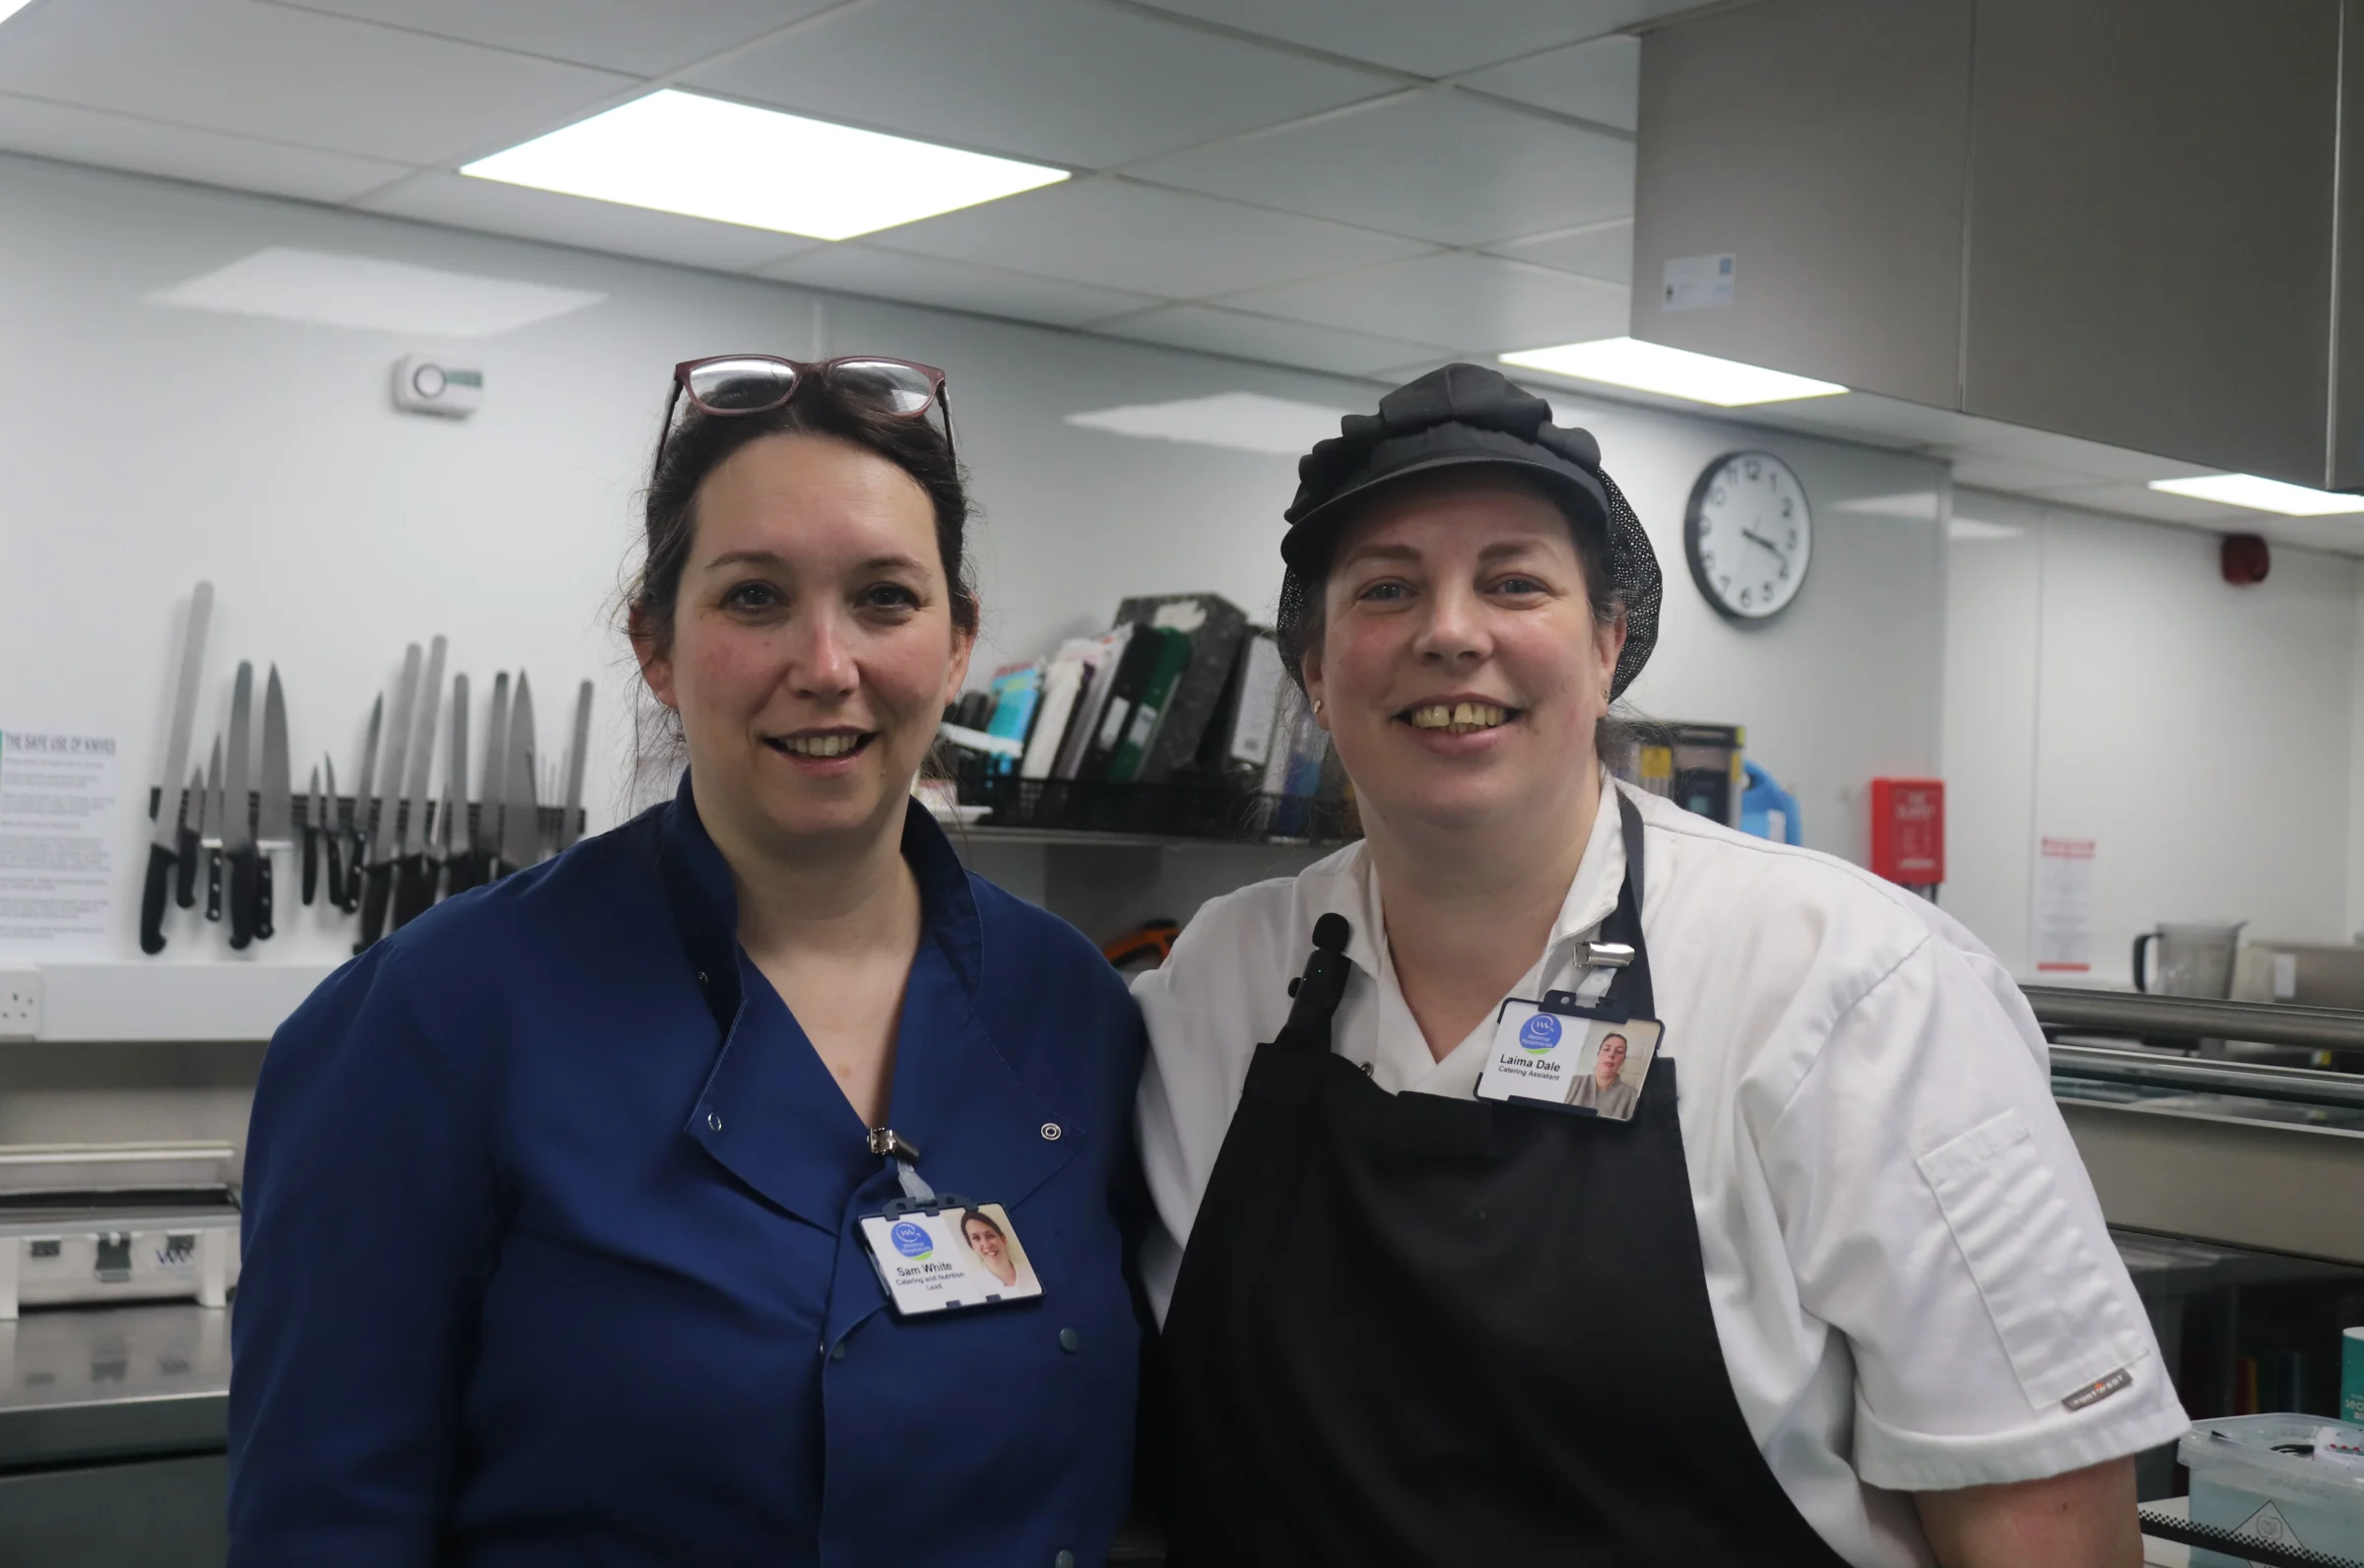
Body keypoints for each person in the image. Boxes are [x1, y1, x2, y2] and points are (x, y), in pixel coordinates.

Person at [1133, 363, 2186, 1567]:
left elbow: (2049, 1534)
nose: (1451, 632)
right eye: (1386, 588)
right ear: (1316, 674)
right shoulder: (1221, 981)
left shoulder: (1858, 990)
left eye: (1516, 581)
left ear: (1608, 646)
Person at [229, 356, 1146, 1565]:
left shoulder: (1071, 1006)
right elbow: (325, 1527)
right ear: (656, 644)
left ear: (958, 641)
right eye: (756, 598)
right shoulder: (435, 1021)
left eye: (885, 598)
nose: (827, 663)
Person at [1567, 1028, 1637, 1117]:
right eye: (1606, 1049)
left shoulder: (1632, 1095)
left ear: (1623, 1060)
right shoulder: (1572, 1082)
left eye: (1619, 1051)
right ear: (1598, 1054)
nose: (1611, 1055)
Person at [962, 1207, 1022, 1289]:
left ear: (1003, 1239)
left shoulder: (1030, 1271)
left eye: (990, 1235)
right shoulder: (974, 1287)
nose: (986, 1244)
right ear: (971, 1246)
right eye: (976, 1238)